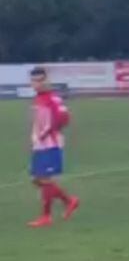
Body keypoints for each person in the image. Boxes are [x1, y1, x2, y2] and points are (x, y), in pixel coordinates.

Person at [27, 67, 79, 228]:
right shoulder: (38, 99)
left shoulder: (52, 99)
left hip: (50, 144)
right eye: (35, 80)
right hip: (39, 145)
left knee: (45, 179)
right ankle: (69, 201)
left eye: (41, 80)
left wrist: (47, 133)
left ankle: (46, 216)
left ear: (47, 80)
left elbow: (64, 118)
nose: (38, 83)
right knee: (37, 179)